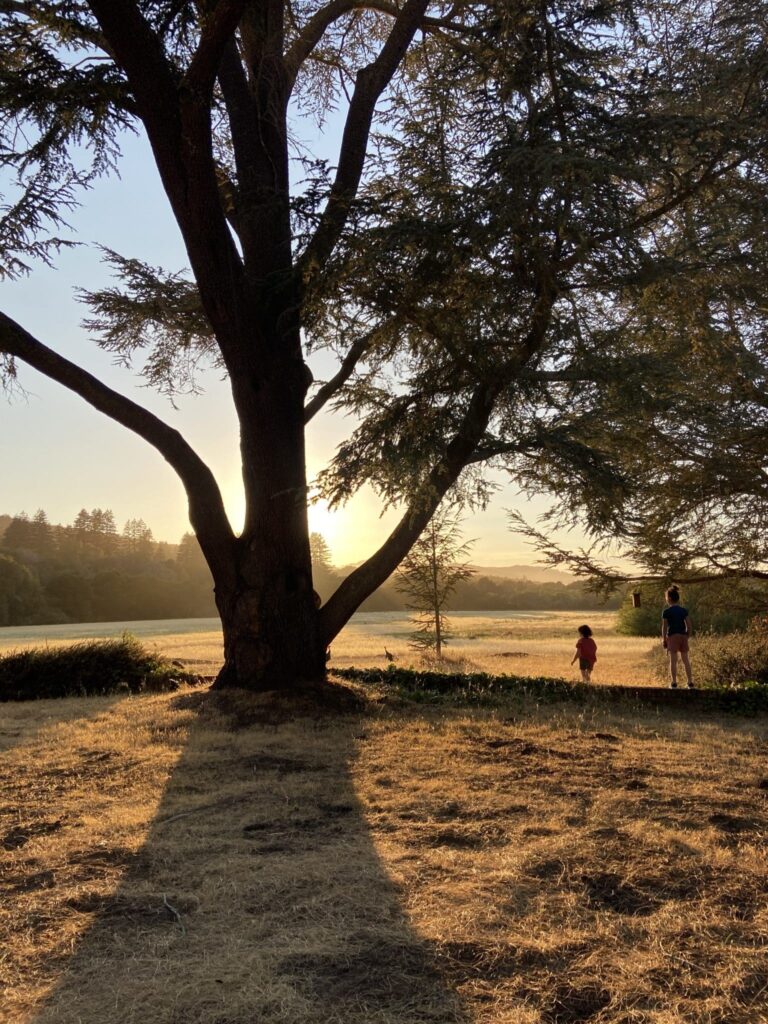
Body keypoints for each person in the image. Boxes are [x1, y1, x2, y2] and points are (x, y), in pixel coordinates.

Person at [662, 585, 694, 688]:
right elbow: (689, 625)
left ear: (669, 599)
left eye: (666, 597)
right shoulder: (683, 610)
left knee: (673, 661)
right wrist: (687, 635)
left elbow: (664, 627)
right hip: (683, 636)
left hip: (672, 636)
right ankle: (690, 682)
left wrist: (664, 640)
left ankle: (674, 682)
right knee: (686, 660)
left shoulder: (666, 612)